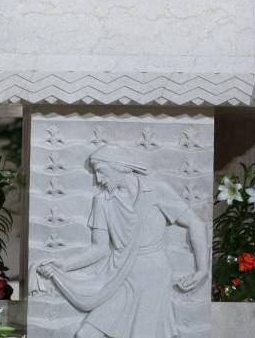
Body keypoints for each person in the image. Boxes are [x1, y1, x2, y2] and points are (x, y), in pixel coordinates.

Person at [35, 145, 208, 338]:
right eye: (94, 173)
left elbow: (195, 223)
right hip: (119, 276)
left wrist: (202, 270)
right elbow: (99, 248)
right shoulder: (102, 201)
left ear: (120, 166)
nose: (98, 179)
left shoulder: (156, 190)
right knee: (86, 333)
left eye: (101, 171)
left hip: (153, 275)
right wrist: (64, 265)